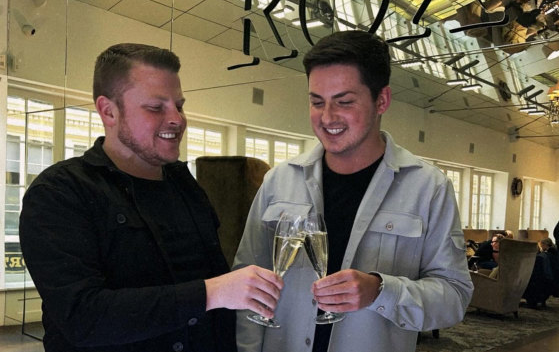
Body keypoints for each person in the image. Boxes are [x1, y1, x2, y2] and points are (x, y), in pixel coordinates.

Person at [19, 43, 283, 352]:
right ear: (108, 111)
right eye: (156, 108)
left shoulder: (186, 187)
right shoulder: (61, 192)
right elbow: (82, 316)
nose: (177, 119)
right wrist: (211, 293)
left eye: (179, 106)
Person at [233, 31, 473, 352]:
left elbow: (454, 297)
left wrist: (380, 291)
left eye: (344, 102)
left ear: (382, 100)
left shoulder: (428, 188)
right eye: (317, 102)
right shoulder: (279, 181)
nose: (327, 117)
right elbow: (248, 283)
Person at [523, 237, 559, 308]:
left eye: (541, 245)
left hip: (544, 280)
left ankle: (532, 302)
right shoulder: (554, 254)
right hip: (552, 280)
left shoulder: (542, 257)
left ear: (544, 245)